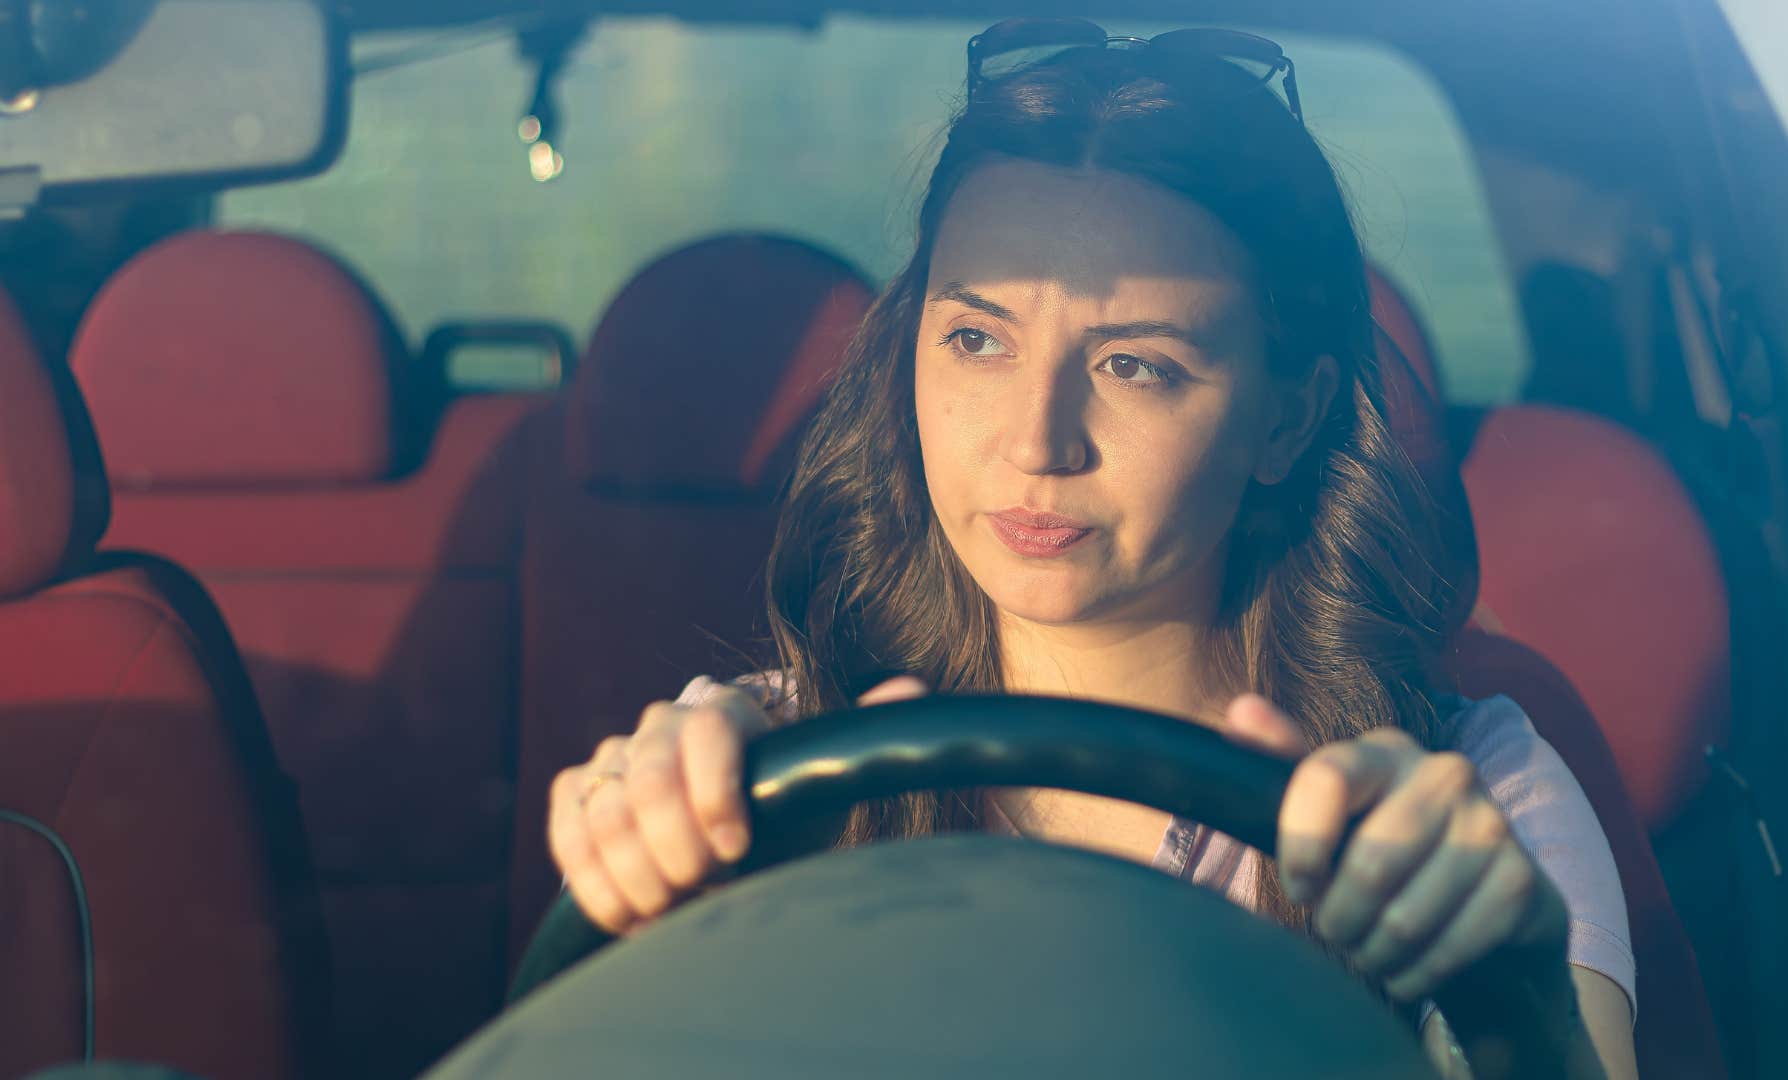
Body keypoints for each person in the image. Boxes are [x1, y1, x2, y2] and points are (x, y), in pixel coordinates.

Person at [546, 21, 1637, 1079]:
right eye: (977, 340)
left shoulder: (1461, 805)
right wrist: (659, 877)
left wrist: (1517, 997)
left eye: (1137, 366)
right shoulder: (769, 767)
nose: (1036, 442)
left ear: (1285, 422)